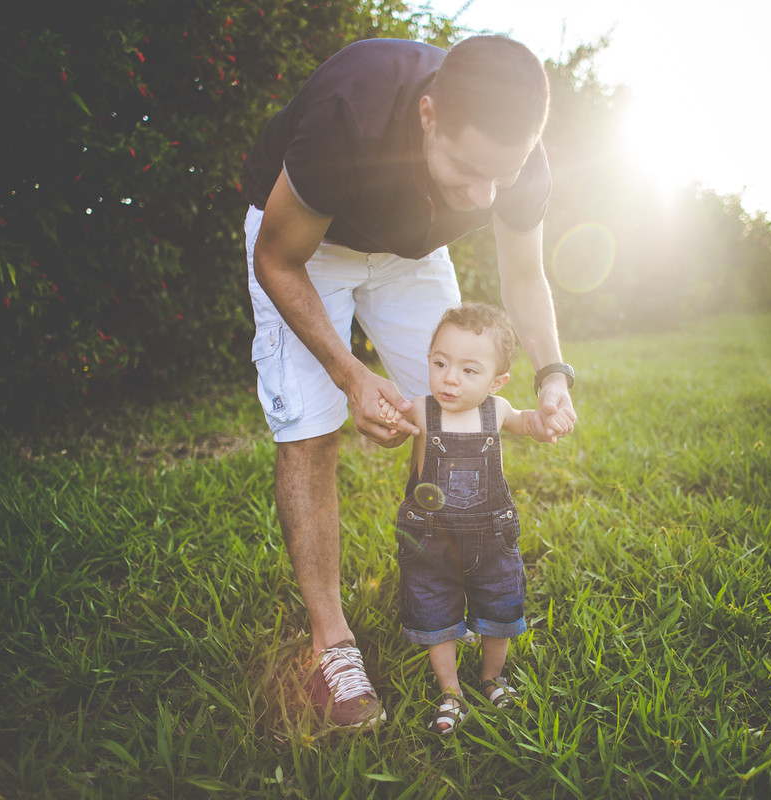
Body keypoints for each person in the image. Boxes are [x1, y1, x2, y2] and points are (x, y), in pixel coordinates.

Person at [242, 34, 577, 728]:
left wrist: (553, 373)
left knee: (451, 409)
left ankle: (428, 583)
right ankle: (332, 642)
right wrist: (351, 375)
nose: (484, 195)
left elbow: (522, 275)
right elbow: (277, 258)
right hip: (306, 243)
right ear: (427, 115)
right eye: (468, 168)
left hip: (409, 250)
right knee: (311, 427)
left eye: (501, 175)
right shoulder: (350, 117)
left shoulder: (521, 164)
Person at [384, 304, 554, 734]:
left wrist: (547, 421)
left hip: (491, 539)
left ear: (497, 382)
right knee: (435, 609)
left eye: (469, 370)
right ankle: (451, 692)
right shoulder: (422, 410)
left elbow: (527, 422)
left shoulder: (496, 411)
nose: (450, 378)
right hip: (431, 541)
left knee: (499, 604)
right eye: (440, 363)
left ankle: (492, 678)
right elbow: (391, 428)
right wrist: (386, 421)